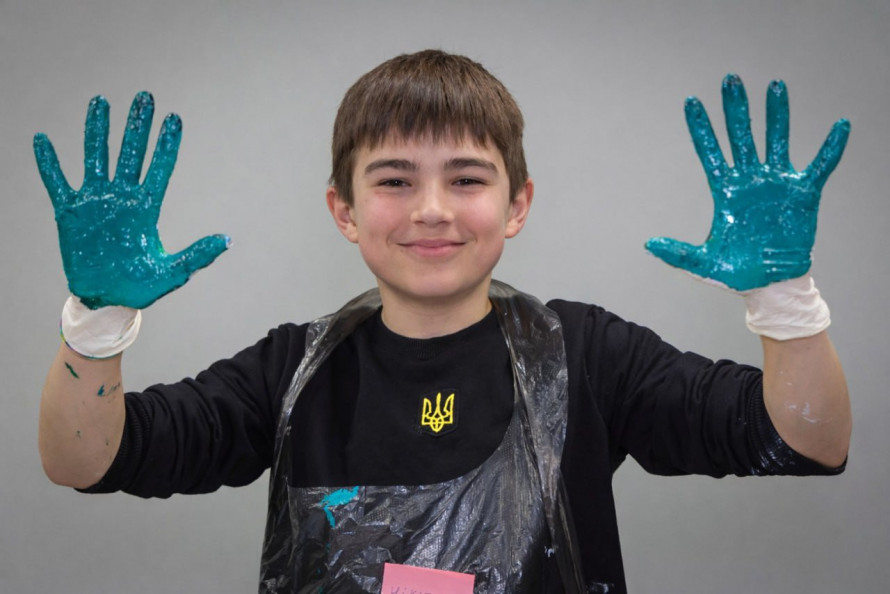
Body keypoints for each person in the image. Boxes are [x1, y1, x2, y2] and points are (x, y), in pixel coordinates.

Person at [35, 50, 852, 593]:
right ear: (345, 210)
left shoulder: (586, 356)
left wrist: (783, 297)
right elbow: (85, 459)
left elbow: (805, 440)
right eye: (394, 180)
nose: (431, 209)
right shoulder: (291, 372)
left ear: (517, 204)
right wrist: (98, 321)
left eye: (467, 179)